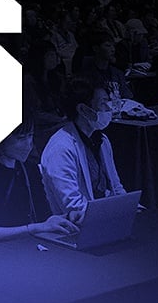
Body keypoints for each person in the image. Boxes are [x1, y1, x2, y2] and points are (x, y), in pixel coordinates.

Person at [0, 117, 77, 248]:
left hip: (26, 246)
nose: (29, 144)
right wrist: (35, 228)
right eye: (21, 138)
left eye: (30, 135)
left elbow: (42, 215)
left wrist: (65, 218)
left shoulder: (28, 167)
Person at [39, 78, 127, 222]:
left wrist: (129, 208)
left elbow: (116, 187)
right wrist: (111, 216)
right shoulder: (60, 148)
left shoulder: (102, 140)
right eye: (102, 103)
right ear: (83, 109)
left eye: (108, 102)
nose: (109, 108)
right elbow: (73, 207)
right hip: (76, 226)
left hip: (106, 218)